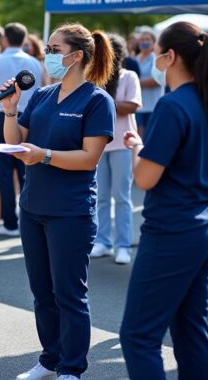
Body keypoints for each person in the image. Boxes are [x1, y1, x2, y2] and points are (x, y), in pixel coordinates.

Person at [120, 22, 208, 379]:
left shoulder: (173, 106)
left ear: (170, 56)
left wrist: (137, 149)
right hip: (206, 224)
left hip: (173, 229)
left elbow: (145, 177)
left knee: (138, 336)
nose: (154, 59)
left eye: (158, 52)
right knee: (190, 329)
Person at [2, 23, 115, 380]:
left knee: (70, 295)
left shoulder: (98, 100)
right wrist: (9, 110)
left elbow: (89, 158)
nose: (46, 55)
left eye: (53, 49)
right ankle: (50, 359)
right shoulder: (42, 96)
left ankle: (72, 367)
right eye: (47, 49)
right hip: (33, 206)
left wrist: (45, 155)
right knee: (41, 293)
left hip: (71, 211)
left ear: (76, 55)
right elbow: (17, 143)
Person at [0, 22, 42, 236]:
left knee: (3, 172)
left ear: (4, 39)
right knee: (26, 171)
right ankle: (28, 219)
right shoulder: (34, 63)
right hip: (30, 117)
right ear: (24, 40)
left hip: (0, 116)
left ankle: (9, 221)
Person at [91, 34, 141, 265]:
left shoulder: (128, 76)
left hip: (122, 143)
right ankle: (102, 241)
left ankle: (123, 245)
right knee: (100, 197)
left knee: (121, 197)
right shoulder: (93, 78)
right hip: (98, 145)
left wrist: (105, 101)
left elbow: (132, 105)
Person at [134, 27, 164, 137]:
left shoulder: (157, 59)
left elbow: (156, 81)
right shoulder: (134, 59)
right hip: (138, 106)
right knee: (138, 138)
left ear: (153, 42)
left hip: (153, 106)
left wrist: (135, 82)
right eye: (142, 40)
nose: (144, 42)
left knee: (151, 137)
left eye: (147, 39)